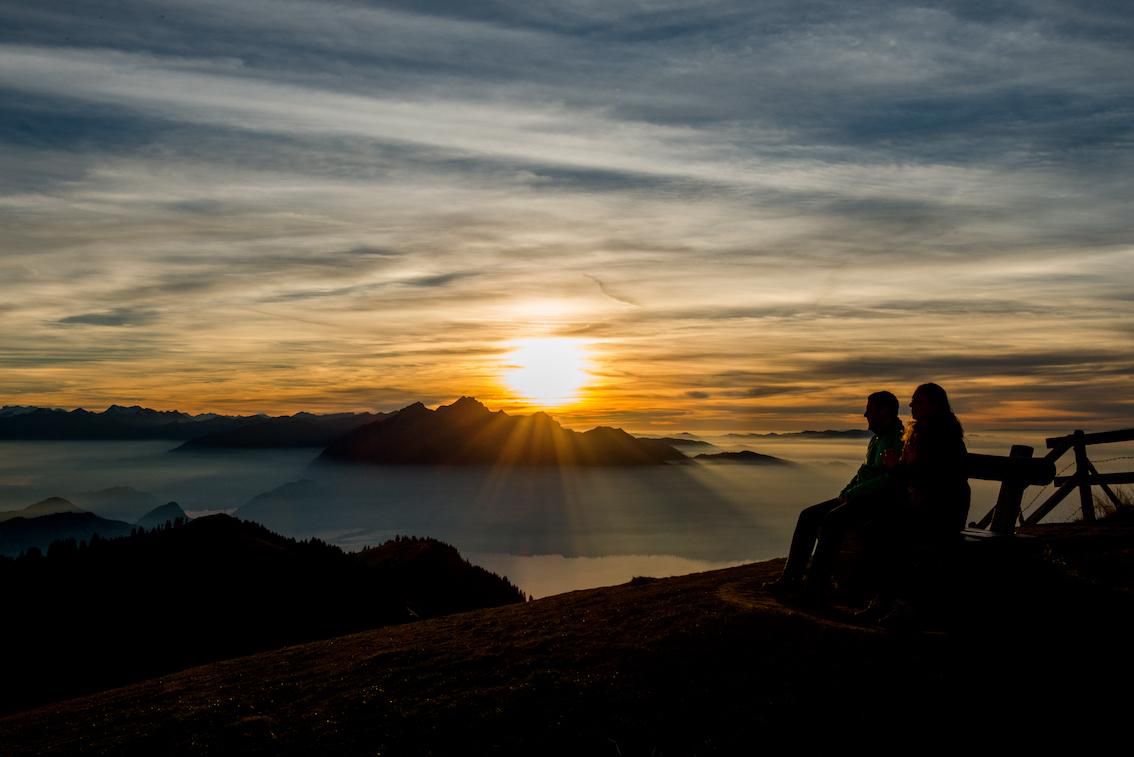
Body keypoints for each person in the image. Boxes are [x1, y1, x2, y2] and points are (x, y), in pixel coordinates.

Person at [766, 391, 905, 604]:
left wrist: (851, 493)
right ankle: (791, 579)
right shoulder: (878, 438)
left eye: (869, 410)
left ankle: (814, 589)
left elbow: (888, 479)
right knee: (808, 516)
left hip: (877, 501)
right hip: (858, 496)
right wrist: (846, 492)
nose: (865, 414)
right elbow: (864, 472)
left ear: (884, 412)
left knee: (831, 521)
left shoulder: (898, 439)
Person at [869, 382, 970, 627]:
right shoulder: (927, 432)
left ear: (934, 405)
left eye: (918, 401)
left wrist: (895, 467)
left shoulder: (938, 436)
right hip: (932, 506)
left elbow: (929, 477)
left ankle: (902, 605)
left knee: (893, 534)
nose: (912, 404)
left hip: (941, 510)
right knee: (881, 527)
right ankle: (888, 601)